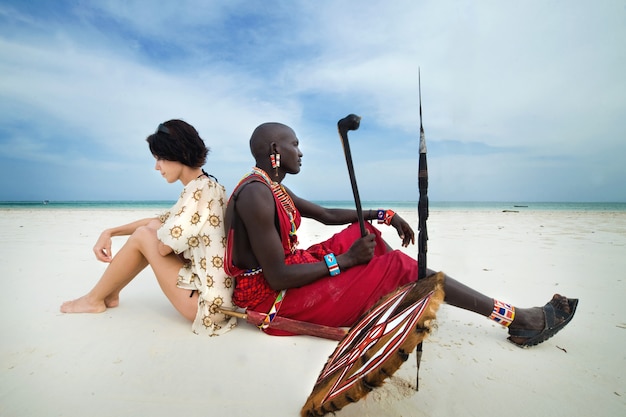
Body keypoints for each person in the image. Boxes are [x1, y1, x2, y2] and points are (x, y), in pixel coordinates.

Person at [224, 122, 577, 346]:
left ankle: (391, 294)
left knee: (366, 235)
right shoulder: (256, 194)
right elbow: (277, 276)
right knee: (401, 266)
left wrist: (382, 215)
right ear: (275, 152)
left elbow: (328, 215)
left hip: (287, 278)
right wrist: (345, 261)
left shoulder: (271, 186)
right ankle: (519, 319)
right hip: (273, 299)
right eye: (294, 144)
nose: (300, 152)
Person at [61, 119, 237, 336]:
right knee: (149, 230)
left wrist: (155, 231)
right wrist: (110, 232)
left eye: (160, 158)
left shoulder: (199, 191)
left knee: (145, 235)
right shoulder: (209, 186)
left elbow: (163, 247)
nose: (157, 167)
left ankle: (93, 299)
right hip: (220, 299)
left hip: (207, 306)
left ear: (178, 153)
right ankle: (110, 294)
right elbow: (160, 221)